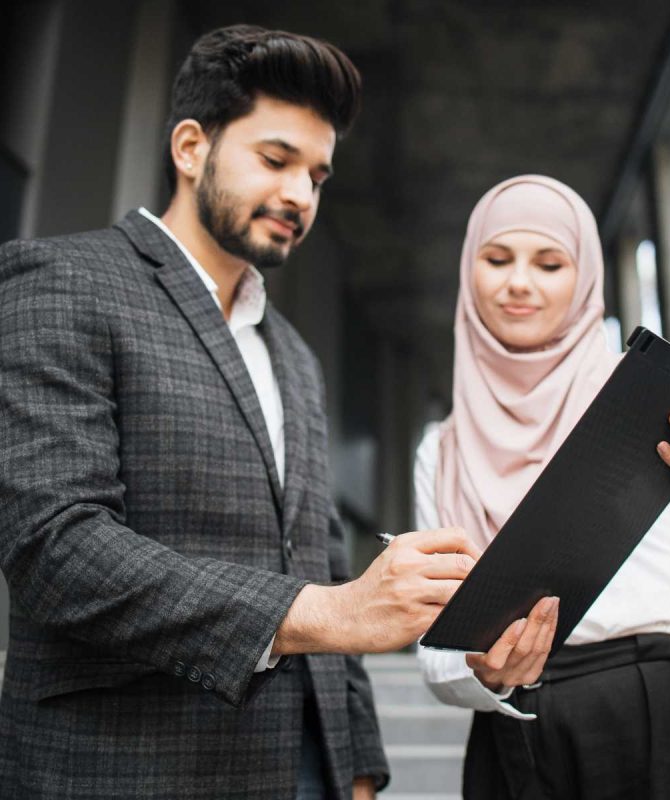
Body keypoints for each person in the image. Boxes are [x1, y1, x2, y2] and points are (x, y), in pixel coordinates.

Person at [0, 25, 489, 800]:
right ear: (192, 147)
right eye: (275, 160)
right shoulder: (61, 280)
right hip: (129, 767)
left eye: (319, 177)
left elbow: (324, 564)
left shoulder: (294, 355)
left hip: (303, 773)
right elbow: (58, 551)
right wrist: (323, 612)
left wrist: (356, 766)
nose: (300, 194)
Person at [415, 175, 670, 800]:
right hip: (520, 735)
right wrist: (483, 673)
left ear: (584, 277)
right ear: (468, 272)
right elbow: (438, 652)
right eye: (497, 259)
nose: (519, 283)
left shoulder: (651, 406)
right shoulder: (442, 447)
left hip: (665, 709)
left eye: (550, 263)